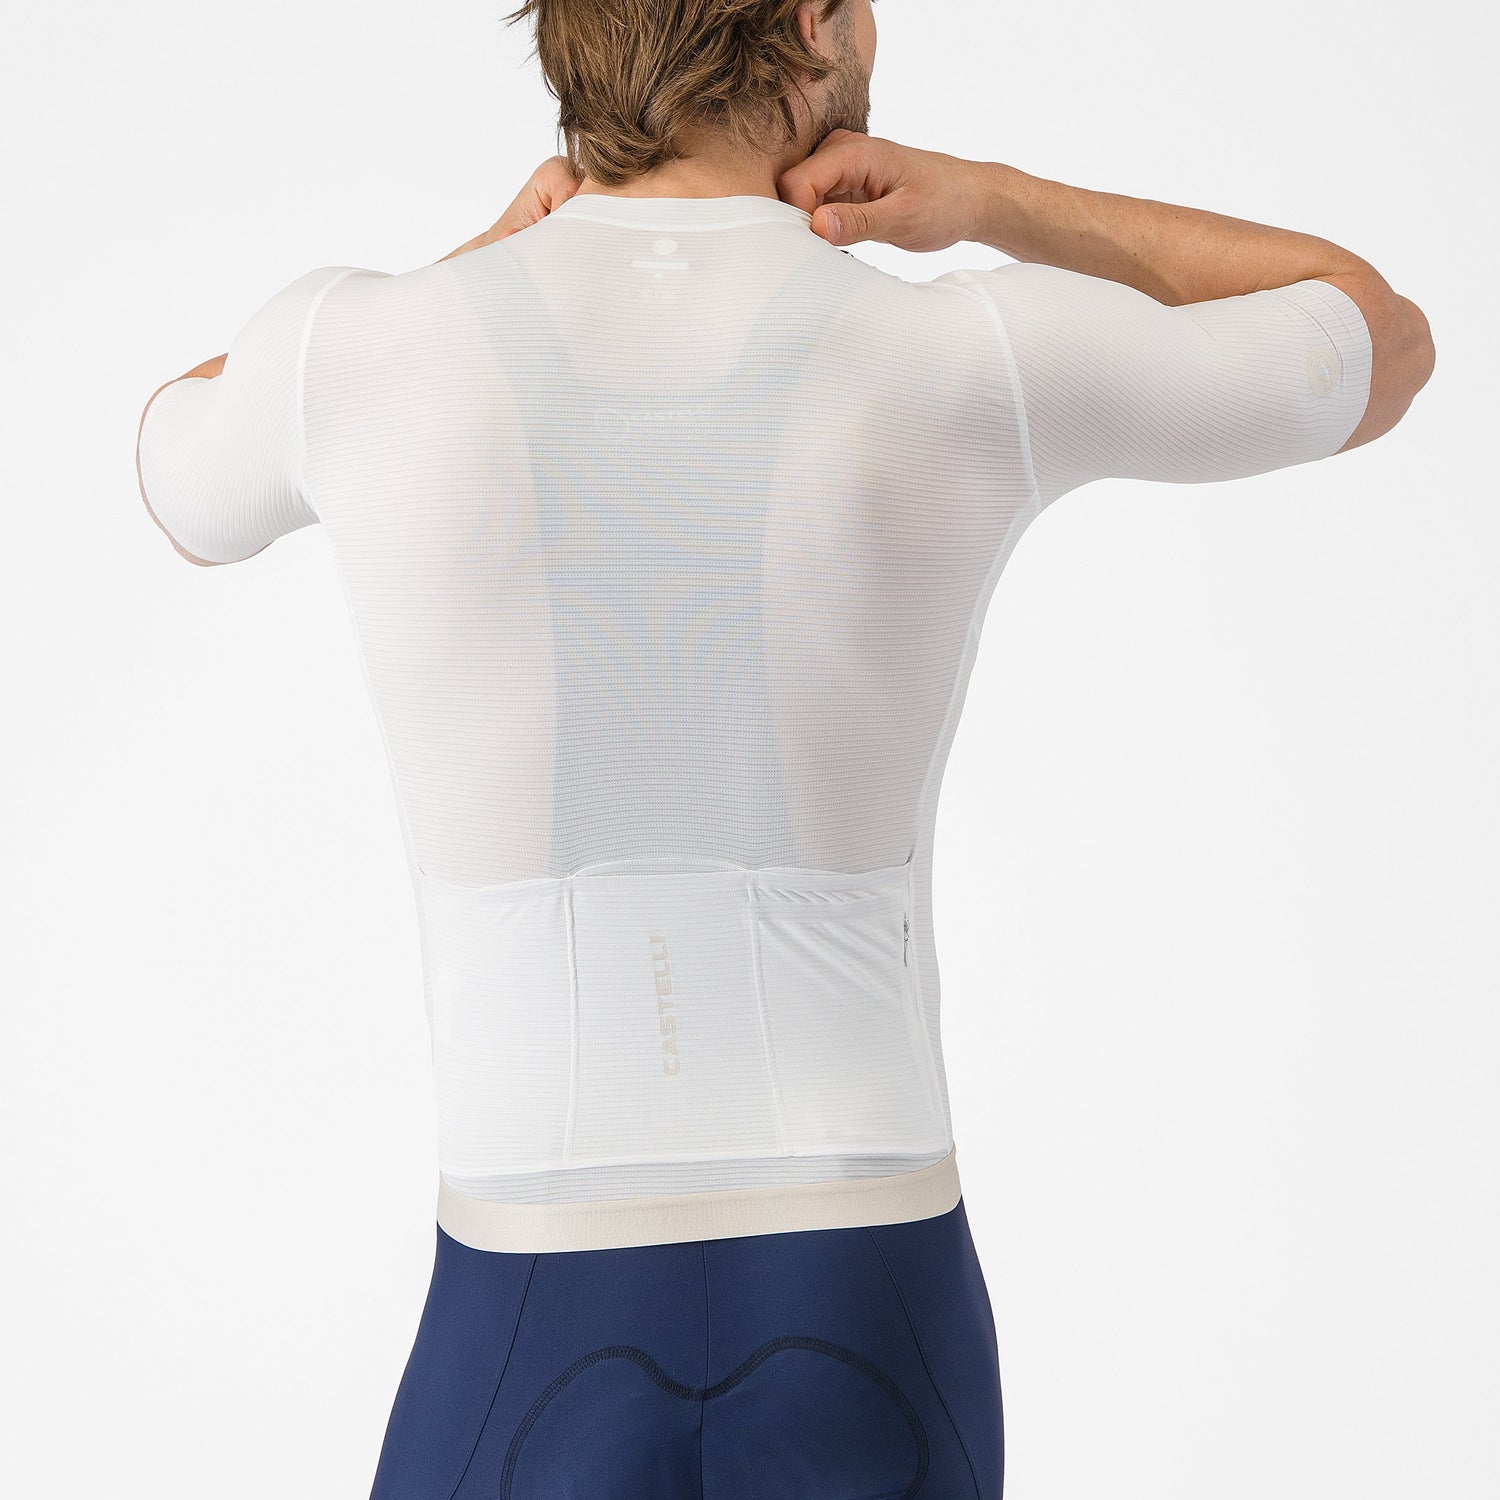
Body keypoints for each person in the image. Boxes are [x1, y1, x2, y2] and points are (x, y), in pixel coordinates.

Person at [132, 1, 1434, 1495]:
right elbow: (1377, 334)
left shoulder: (354, 353)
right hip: (870, 1291)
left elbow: (175, 470)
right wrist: (996, 202)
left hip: (520, 1299)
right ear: (815, 25)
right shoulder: (963, 348)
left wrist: (466, 267)